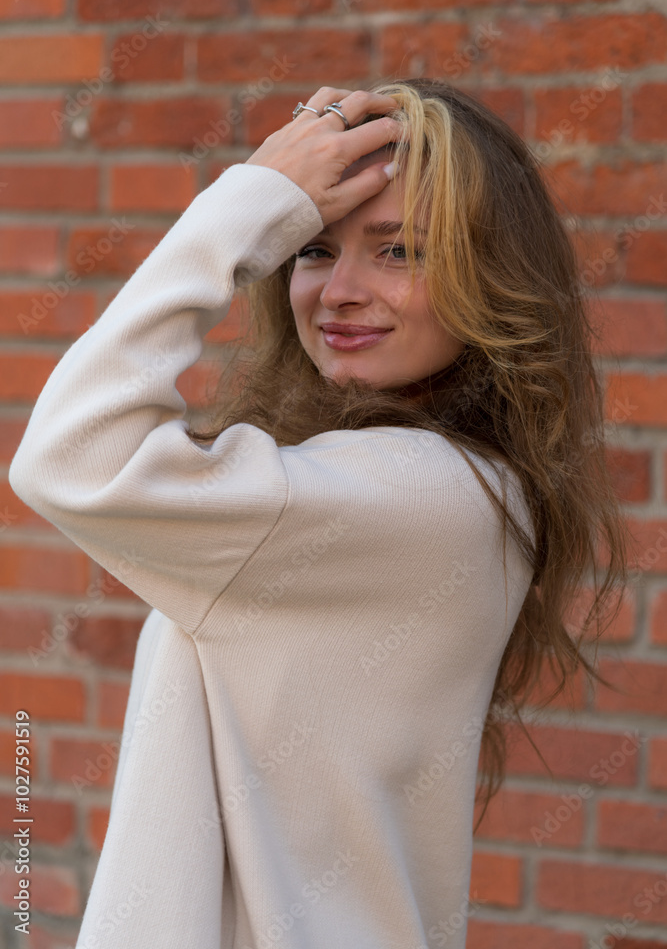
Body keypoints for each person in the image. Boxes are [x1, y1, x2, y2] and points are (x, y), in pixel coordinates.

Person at [9, 79, 629, 949]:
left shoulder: (418, 493)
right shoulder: (437, 487)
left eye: (399, 252)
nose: (338, 290)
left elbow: (72, 455)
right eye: (310, 248)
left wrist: (248, 203)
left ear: (491, 276)